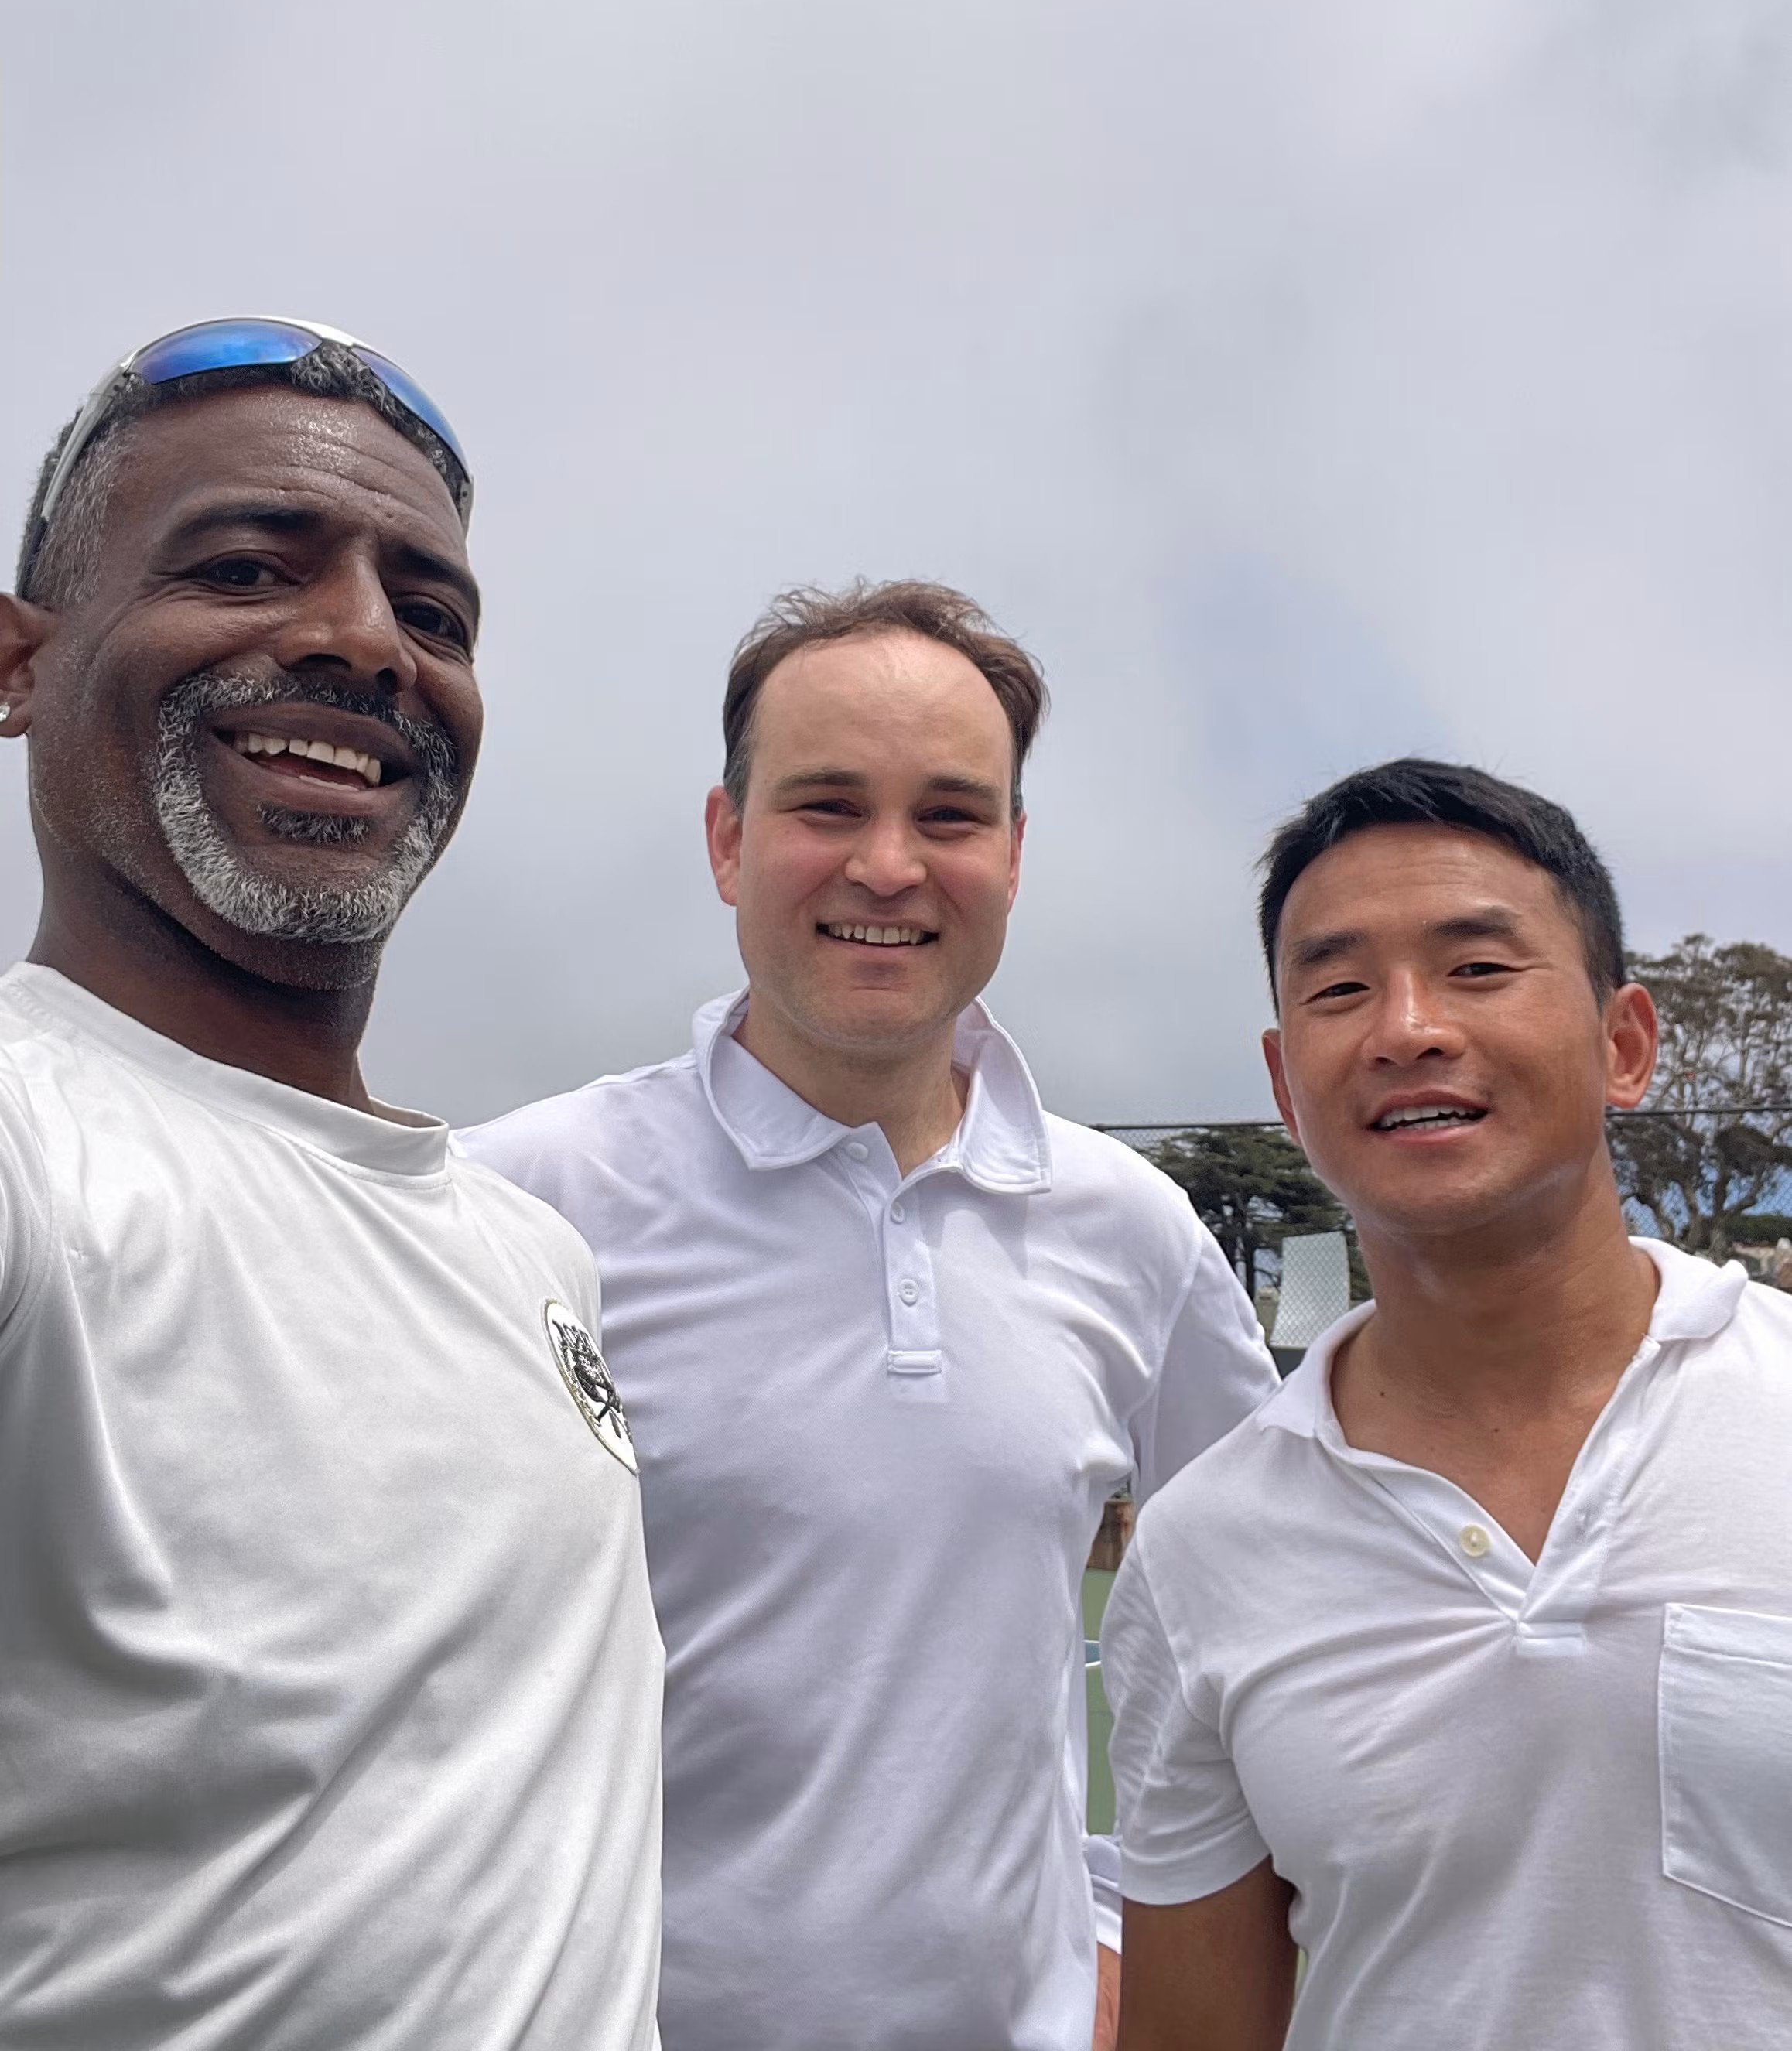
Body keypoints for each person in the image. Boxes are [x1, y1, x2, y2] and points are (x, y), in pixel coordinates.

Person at [463, 579, 1278, 2051]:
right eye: (826, 805)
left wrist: (1115, 1924)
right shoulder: (519, 1198)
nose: (889, 865)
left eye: (953, 816)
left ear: (1016, 858)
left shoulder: (1128, 1228)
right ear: (727, 843)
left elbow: (1277, 1606)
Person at [0, 319, 662, 2051]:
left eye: (431, 612)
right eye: (242, 567)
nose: (366, 641)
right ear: (16, 667)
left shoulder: (532, 1257)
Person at [1100, 757, 1792, 2051]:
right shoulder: (1202, 1552)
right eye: (1340, 987)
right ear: (1284, 1084)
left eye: (1478, 968)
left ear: (1624, 1042)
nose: (1406, 1026)